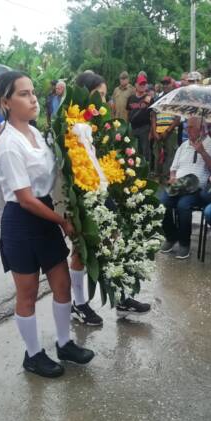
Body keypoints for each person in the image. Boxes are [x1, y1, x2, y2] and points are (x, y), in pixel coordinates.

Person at [0, 71, 95, 378]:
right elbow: (24, 198)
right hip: (23, 222)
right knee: (27, 294)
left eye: (33, 91)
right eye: (23, 94)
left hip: (47, 214)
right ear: (6, 102)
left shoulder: (36, 134)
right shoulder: (8, 144)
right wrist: (63, 222)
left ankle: (64, 343)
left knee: (61, 284)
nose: (33, 98)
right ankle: (33, 354)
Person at [68, 71, 151, 326]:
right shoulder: (70, 122)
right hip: (82, 194)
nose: (104, 101)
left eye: (105, 95)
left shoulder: (98, 122)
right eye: (99, 95)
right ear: (84, 93)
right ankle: (79, 303)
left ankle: (123, 297)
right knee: (81, 251)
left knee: (116, 242)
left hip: (101, 190)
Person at [160, 117, 211, 260]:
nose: (187, 129)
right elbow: (173, 168)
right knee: (162, 203)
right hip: (179, 185)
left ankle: (184, 243)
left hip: (198, 187)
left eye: (191, 127)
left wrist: (203, 152)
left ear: (201, 129)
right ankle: (171, 236)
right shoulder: (183, 145)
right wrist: (173, 177)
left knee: (183, 205)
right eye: (187, 127)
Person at [150, 76, 179, 180]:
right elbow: (153, 116)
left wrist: (167, 130)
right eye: (164, 84)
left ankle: (167, 177)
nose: (165, 85)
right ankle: (157, 176)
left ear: (172, 84)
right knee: (157, 154)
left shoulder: (176, 99)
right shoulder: (158, 99)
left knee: (170, 155)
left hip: (170, 132)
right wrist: (154, 132)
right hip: (158, 132)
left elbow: (177, 119)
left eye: (167, 83)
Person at [127, 74, 153, 162]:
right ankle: (134, 170)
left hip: (145, 128)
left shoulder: (149, 99)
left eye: (144, 84)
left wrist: (151, 131)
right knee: (133, 151)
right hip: (133, 128)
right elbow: (128, 112)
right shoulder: (131, 98)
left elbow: (153, 116)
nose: (142, 86)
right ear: (136, 85)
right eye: (140, 84)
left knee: (145, 151)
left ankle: (146, 172)